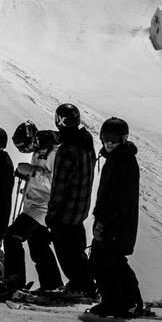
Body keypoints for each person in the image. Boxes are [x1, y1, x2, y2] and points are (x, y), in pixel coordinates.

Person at [85, 117, 143, 318]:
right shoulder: (117, 158)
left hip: (116, 224)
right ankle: (124, 302)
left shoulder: (123, 161)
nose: (109, 142)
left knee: (105, 262)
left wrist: (104, 221)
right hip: (114, 222)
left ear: (124, 138)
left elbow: (119, 197)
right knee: (111, 261)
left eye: (114, 138)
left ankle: (119, 303)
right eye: (105, 137)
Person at [5, 121, 63, 292]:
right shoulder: (41, 148)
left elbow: (55, 182)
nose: (24, 151)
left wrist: (31, 171)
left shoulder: (53, 152)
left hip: (42, 207)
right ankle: (52, 284)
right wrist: (27, 174)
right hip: (35, 204)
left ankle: (14, 281)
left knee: (12, 236)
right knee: (38, 245)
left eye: (24, 147)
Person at [46, 103, 96, 296]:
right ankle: (87, 282)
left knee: (66, 253)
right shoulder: (86, 140)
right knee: (77, 249)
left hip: (65, 212)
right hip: (81, 208)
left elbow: (59, 187)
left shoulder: (66, 150)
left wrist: (52, 215)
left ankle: (80, 285)